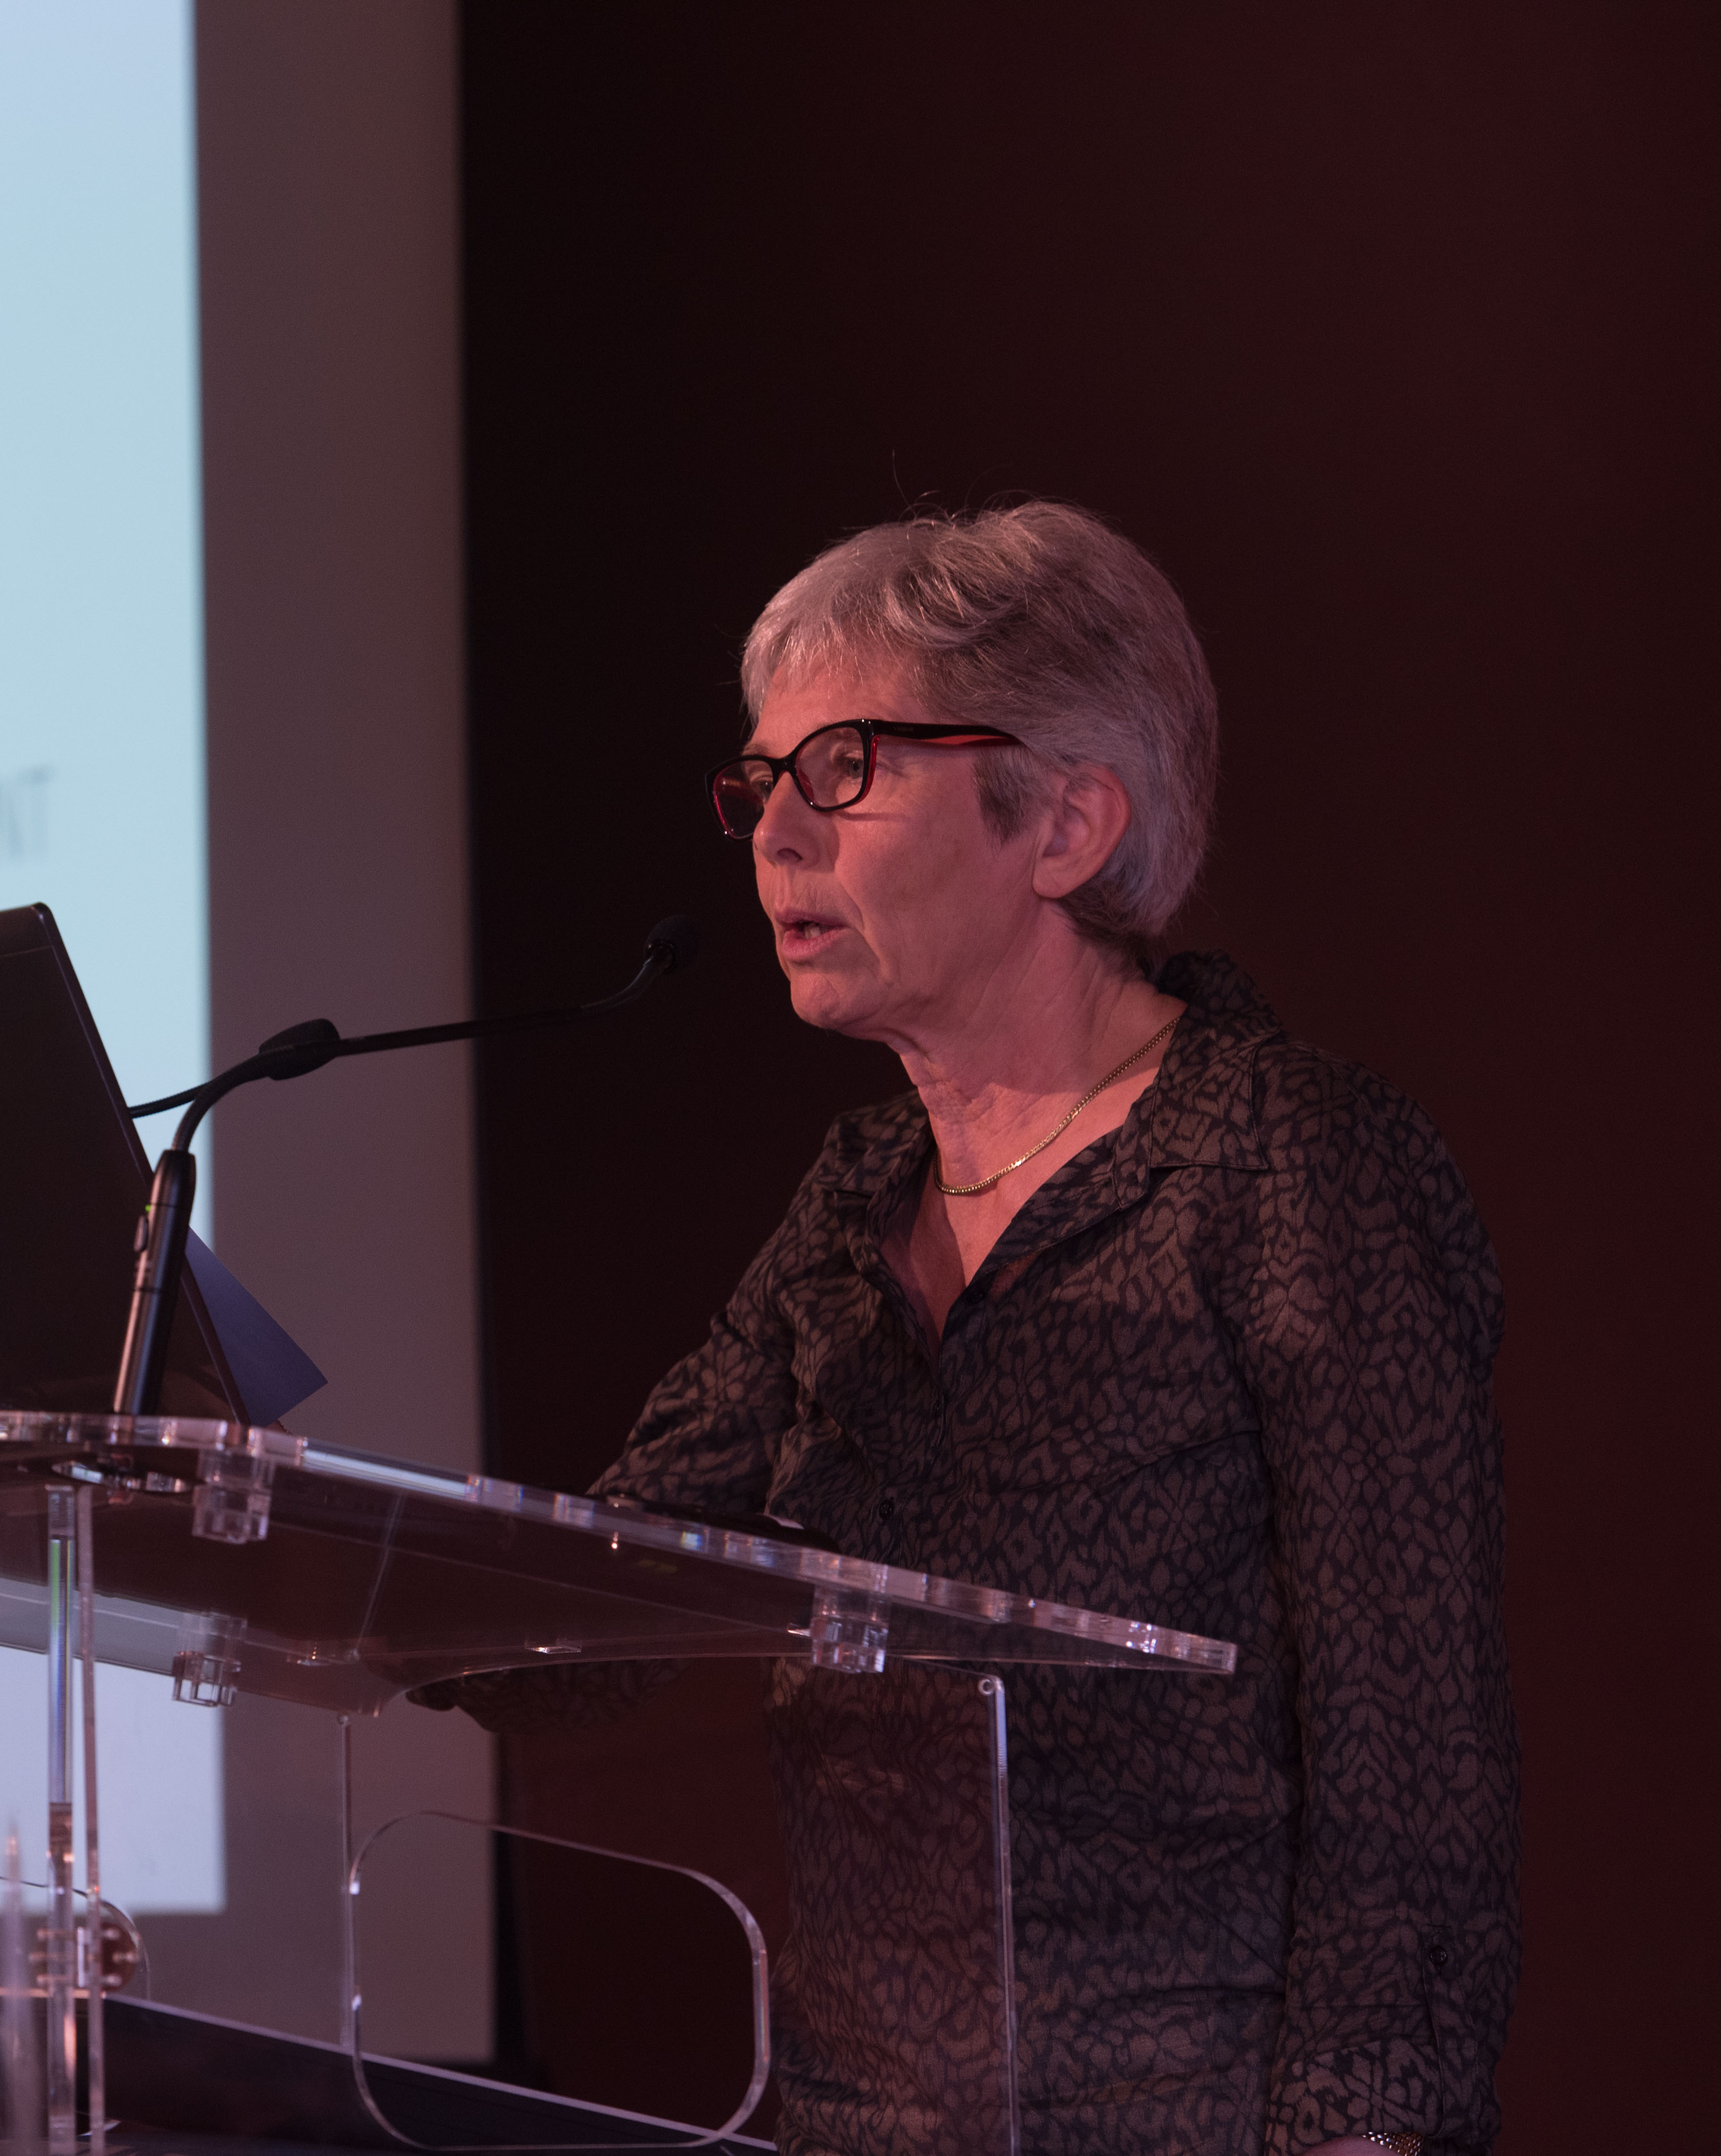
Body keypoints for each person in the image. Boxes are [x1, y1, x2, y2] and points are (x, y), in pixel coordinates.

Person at [421, 503, 1516, 2154]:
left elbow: (1414, 1760)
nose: (775, 837)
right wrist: (264, 1510)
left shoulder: (1289, 1168)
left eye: (845, 768)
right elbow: (601, 1624)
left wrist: (1363, 2134)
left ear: (1066, 823)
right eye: (761, 782)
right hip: (853, 2119)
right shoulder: (853, 1202)